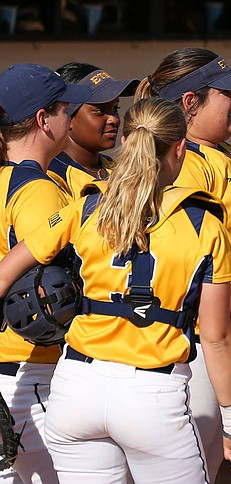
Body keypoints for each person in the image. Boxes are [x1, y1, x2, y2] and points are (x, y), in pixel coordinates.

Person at [0, 97, 231, 483]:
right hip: (152, 393)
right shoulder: (202, 222)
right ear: (180, 147)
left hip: (75, 390)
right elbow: (217, 338)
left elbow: (5, 274)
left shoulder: (85, 206)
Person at [135, 48, 231, 483]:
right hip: (196, 347)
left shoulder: (226, 153)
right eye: (225, 92)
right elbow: (187, 258)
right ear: (190, 103)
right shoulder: (186, 165)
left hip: (227, 345)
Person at [0, 63, 89, 484]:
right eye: (65, 110)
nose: (70, 118)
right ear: (42, 120)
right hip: (31, 370)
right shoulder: (38, 190)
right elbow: (55, 289)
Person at [49, 62, 139, 200]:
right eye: (100, 111)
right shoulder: (53, 176)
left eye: (115, 109)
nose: (113, 119)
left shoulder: (119, 169)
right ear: (67, 115)